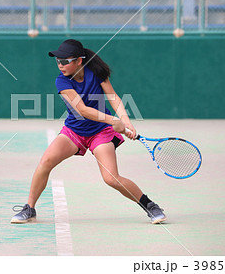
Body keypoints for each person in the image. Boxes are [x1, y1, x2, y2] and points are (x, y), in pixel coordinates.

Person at [11, 39, 166, 224]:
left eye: (65, 61)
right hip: (73, 132)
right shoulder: (61, 81)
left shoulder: (97, 73)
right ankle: (29, 208)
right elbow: (82, 110)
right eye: (58, 61)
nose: (60, 65)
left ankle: (150, 206)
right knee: (46, 161)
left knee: (111, 178)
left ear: (79, 61)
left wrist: (125, 121)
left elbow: (113, 97)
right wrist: (113, 120)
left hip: (101, 133)